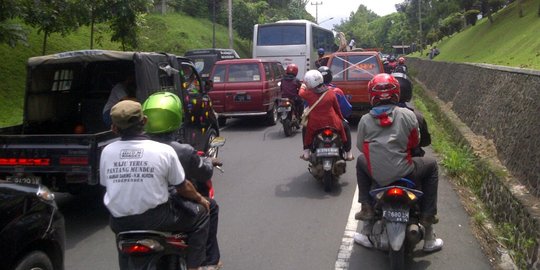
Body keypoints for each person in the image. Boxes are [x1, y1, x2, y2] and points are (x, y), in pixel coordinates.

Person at [99, 100, 211, 270]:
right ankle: (194, 266)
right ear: (144, 121)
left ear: (114, 128)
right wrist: (200, 199)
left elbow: (107, 184)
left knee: (122, 242)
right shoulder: (163, 151)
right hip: (157, 219)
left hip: (119, 222)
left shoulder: (106, 151)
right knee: (202, 214)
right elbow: (183, 187)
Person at [353, 73, 443, 253]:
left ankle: (367, 207)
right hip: (406, 172)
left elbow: (361, 147)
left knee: (361, 161)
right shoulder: (408, 115)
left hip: (378, 176)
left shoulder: (364, 119)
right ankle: (427, 216)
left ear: (372, 95)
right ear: (397, 93)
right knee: (431, 165)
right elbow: (415, 142)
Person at [142, 92, 224, 270]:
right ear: (176, 116)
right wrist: (208, 163)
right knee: (210, 208)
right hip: (166, 209)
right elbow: (201, 175)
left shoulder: (134, 147)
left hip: (126, 217)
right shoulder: (181, 150)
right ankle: (207, 262)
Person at [299, 70, 349, 160]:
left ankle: (306, 153)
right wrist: (341, 118)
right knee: (345, 128)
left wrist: (303, 86)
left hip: (314, 124)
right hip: (332, 122)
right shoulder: (331, 92)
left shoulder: (309, 94)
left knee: (306, 131)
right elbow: (337, 109)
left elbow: (301, 93)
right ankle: (348, 153)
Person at [318, 66, 353, 161]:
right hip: (335, 122)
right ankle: (348, 152)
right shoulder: (337, 91)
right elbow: (347, 109)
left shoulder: (312, 91)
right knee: (346, 128)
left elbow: (306, 107)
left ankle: (307, 150)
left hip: (317, 122)